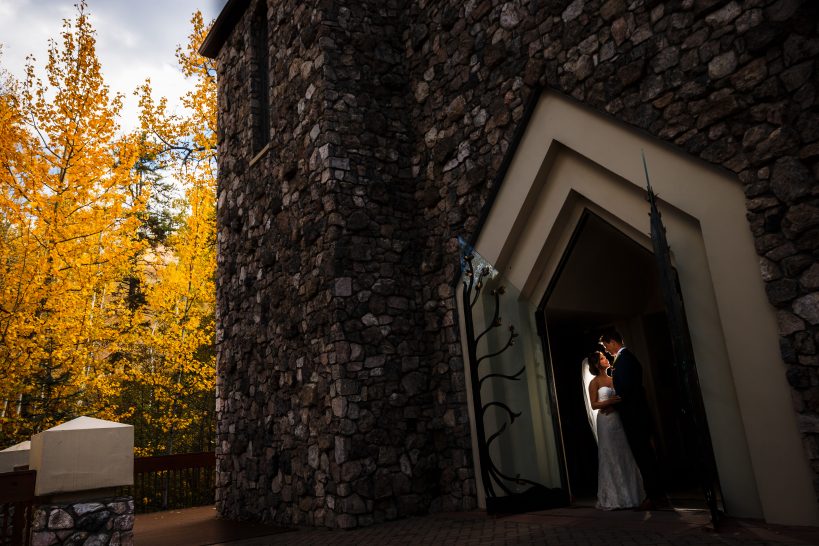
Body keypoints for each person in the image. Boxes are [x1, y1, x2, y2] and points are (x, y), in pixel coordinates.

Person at [599, 328, 663, 510]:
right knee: (644, 455)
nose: (606, 349)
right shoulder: (623, 360)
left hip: (635, 415)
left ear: (612, 342)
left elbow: (628, 390)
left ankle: (654, 496)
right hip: (633, 414)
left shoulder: (625, 360)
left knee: (644, 455)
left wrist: (614, 405)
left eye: (605, 345)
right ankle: (655, 494)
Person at [587, 349, 645, 510]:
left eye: (605, 356)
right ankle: (614, 497)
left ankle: (632, 495)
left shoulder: (614, 378)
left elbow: (623, 397)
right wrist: (609, 401)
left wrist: (614, 403)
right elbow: (594, 404)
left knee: (624, 453)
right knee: (610, 454)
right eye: (602, 358)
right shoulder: (595, 382)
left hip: (617, 419)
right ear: (597, 364)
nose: (606, 358)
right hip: (605, 421)